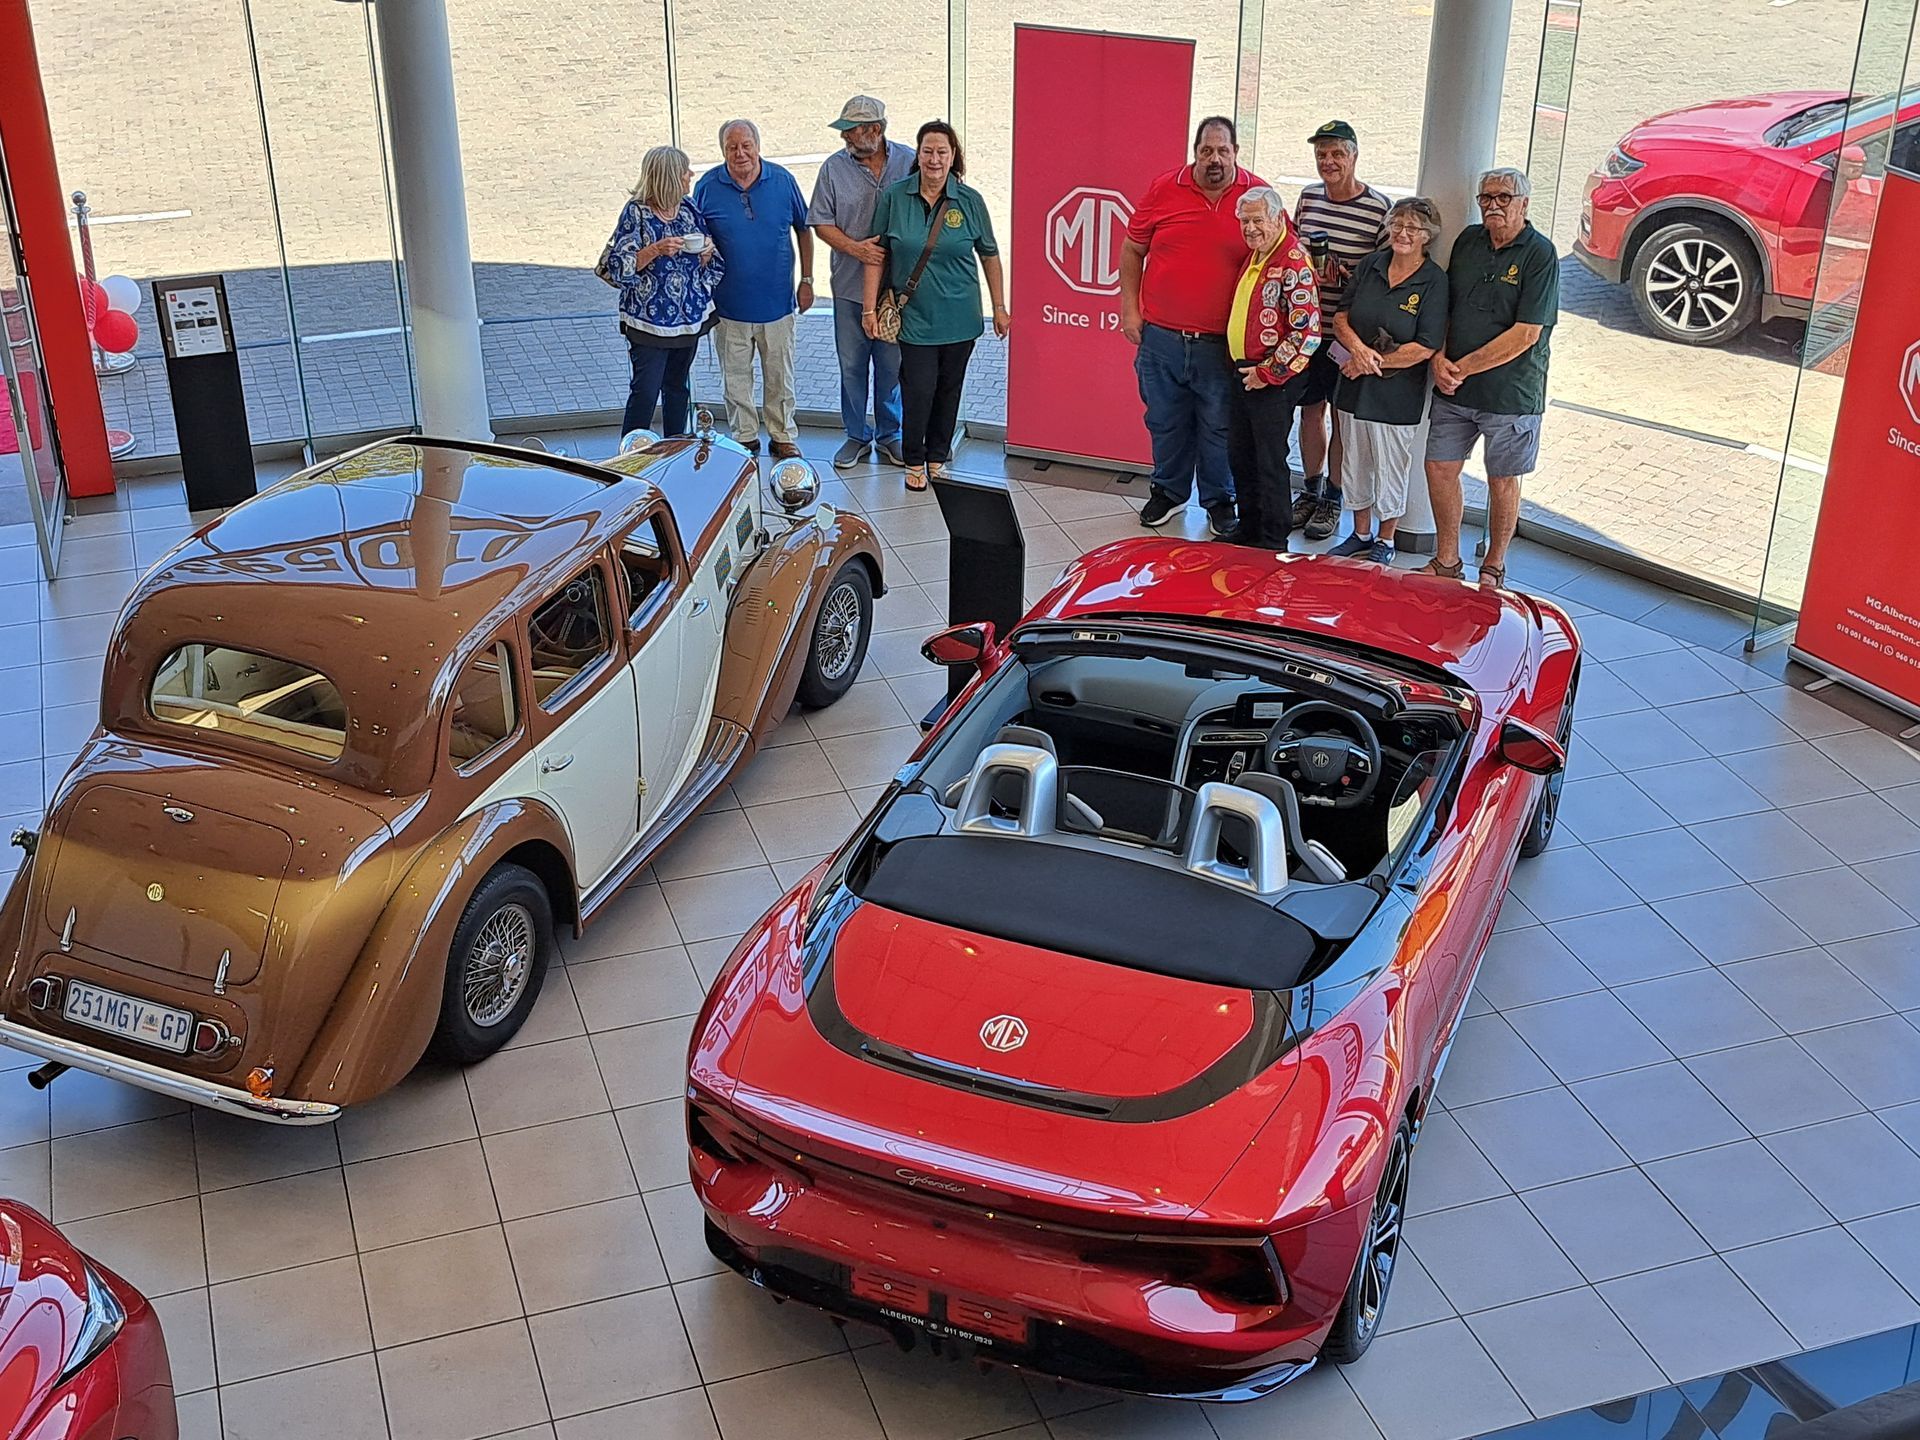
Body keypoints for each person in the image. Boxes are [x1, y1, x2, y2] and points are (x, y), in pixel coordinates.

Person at [1120, 117, 1265, 537]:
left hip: (1223, 345)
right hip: (1161, 338)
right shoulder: (1164, 188)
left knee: (1220, 427)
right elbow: (1132, 249)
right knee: (1164, 421)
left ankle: (1220, 500)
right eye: (1206, 151)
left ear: (1236, 152)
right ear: (1195, 152)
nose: (1214, 159)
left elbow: (1278, 256)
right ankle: (1168, 492)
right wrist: (1130, 310)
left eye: (1223, 151)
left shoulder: (1257, 196)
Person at [1423, 167, 1559, 589]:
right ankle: (1447, 559)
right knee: (1439, 467)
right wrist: (1439, 358)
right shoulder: (1468, 241)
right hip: (1454, 388)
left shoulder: (1540, 254)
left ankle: (1494, 565)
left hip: (1511, 393)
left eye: (1504, 197)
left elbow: (1527, 333)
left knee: (1503, 479)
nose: (1493, 205)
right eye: (1486, 197)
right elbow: (1446, 306)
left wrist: (1461, 367)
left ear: (1524, 204)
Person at [863, 120, 1010, 492]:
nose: (934, 159)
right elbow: (876, 255)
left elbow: (990, 255)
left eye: (942, 152)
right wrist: (868, 309)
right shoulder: (895, 197)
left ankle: (937, 457)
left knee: (949, 389)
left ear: (953, 156)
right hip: (914, 318)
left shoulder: (970, 201)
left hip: (961, 319)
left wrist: (999, 306)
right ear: (918, 154)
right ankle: (914, 459)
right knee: (918, 389)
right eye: (928, 151)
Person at [1327, 197, 1448, 565]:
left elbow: (1425, 346)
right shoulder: (1371, 264)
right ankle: (1360, 533)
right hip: (1352, 386)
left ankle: (1386, 539)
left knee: (1391, 466)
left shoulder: (1434, 280)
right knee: (1355, 461)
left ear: (1427, 236)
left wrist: (1366, 364)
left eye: (1412, 228)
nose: (1402, 233)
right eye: (1397, 225)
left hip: (1396, 395)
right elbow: (1341, 318)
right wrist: (1358, 351)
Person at [1291, 121, 1393, 542]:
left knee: (1342, 418)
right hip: (1307, 329)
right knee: (1309, 410)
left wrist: (1350, 276)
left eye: (1336, 153)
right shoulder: (1308, 197)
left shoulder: (1379, 209)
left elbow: (1388, 276)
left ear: (1354, 155)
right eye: (1321, 154)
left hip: (1348, 334)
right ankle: (1309, 489)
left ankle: (1334, 497)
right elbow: (1293, 250)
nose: (1328, 162)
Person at [694, 119, 814, 458]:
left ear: (758, 146)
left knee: (780, 377)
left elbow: (804, 230)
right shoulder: (707, 186)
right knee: (735, 379)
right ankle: (744, 436)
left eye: (746, 145)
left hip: (778, 304)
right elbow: (696, 235)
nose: (740, 153)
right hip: (728, 306)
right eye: (732, 147)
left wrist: (807, 280)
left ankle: (782, 434)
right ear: (722, 151)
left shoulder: (783, 181)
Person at [809, 95, 915, 469]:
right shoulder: (833, 168)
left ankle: (890, 435)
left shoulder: (909, 161)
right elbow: (821, 222)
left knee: (891, 367)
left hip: (898, 293)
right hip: (849, 288)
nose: (845, 137)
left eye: (851, 130)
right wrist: (857, 249)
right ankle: (856, 435)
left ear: (875, 130)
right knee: (852, 367)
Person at [1224, 187, 1321, 549]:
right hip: (1243, 373)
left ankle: (1272, 538)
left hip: (1272, 378)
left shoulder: (1293, 260)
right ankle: (1248, 527)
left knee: (1269, 460)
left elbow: (1308, 333)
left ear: (1278, 218)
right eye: (1244, 221)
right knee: (1241, 455)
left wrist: (1266, 373)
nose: (1250, 228)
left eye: (1257, 220)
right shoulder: (1257, 255)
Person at [603, 145, 723, 438]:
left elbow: (708, 262)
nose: (691, 174)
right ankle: (632, 452)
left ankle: (674, 447)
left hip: (687, 320)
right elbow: (619, 266)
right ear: (670, 177)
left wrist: (707, 252)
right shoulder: (636, 213)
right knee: (645, 391)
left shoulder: (688, 208)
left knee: (677, 388)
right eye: (685, 171)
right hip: (647, 322)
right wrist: (655, 249)